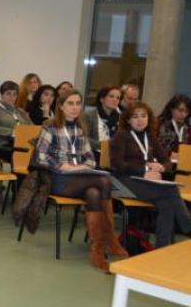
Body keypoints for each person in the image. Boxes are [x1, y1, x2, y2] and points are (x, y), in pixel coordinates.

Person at [35, 89, 127, 272]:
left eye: (78, 103)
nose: (75, 107)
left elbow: (90, 157)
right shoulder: (50, 126)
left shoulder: (80, 128)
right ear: (61, 106)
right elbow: (40, 157)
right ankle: (110, 239)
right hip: (59, 179)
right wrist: (63, 166)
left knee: (93, 194)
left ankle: (97, 250)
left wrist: (84, 166)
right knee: (104, 182)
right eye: (70, 103)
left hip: (81, 178)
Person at [110, 102, 191, 248]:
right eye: (135, 117)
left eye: (143, 116)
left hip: (144, 183)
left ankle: (161, 248)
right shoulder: (121, 135)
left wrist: (161, 167)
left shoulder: (150, 136)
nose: (140, 120)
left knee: (166, 205)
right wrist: (144, 170)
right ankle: (187, 225)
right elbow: (117, 165)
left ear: (148, 118)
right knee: (171, 190)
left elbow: (167, 161)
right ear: (128, 120)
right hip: (123, 182)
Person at [84, 86, 122, 153]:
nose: (115, 100)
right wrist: (103, 145)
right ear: (102, 99)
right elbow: (84, 138)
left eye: (118, 98)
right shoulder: (90, 115)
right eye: (111, 96)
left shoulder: (121, 118)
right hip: (93, 153)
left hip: (113, 155)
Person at [157, 94, 191, 159]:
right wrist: (169, 154)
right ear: (171, 109)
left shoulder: (188, 129)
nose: (183, 115)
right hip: (161, 163)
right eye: (180, 110)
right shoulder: (158, 124)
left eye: (187, 112)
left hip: (183, 165)